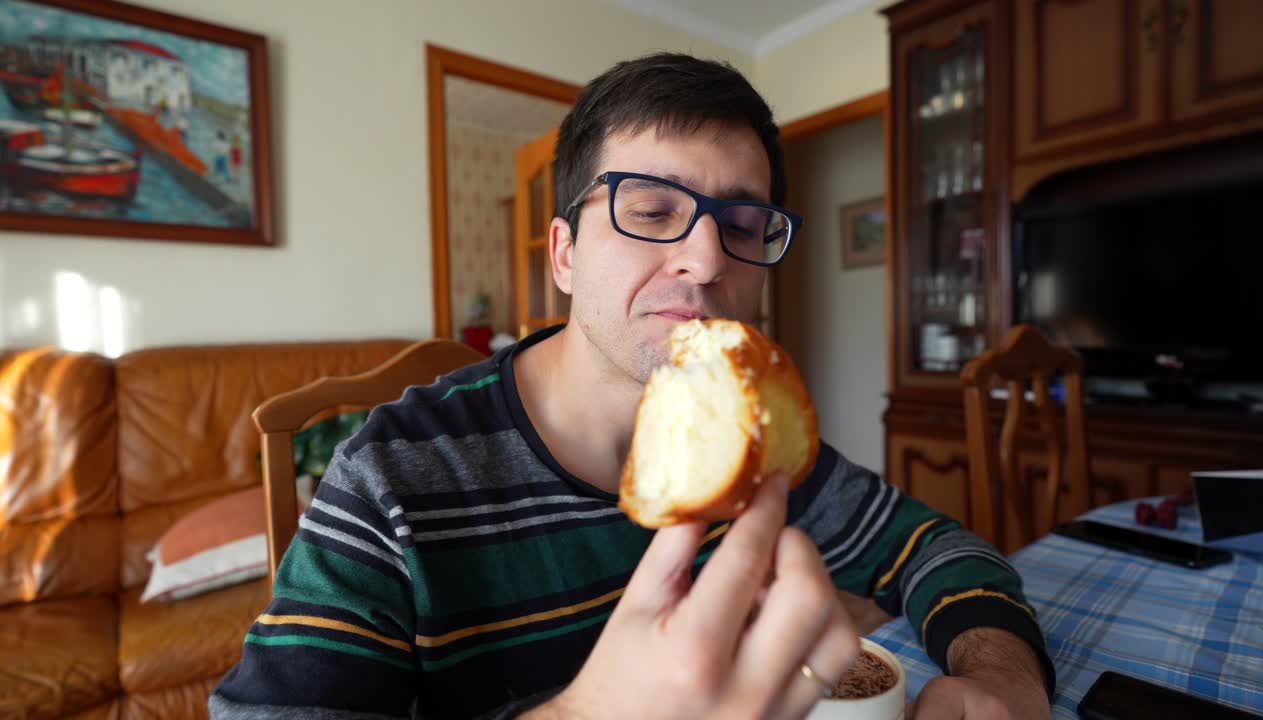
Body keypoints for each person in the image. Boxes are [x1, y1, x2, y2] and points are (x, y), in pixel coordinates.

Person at [210, 53, 1053, 720]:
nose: (708, 260)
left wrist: (1004, 677)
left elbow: (941, 548)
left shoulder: (751, 445)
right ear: (565, 254)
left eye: (743, 225)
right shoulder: (392, 477)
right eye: (651, 212)